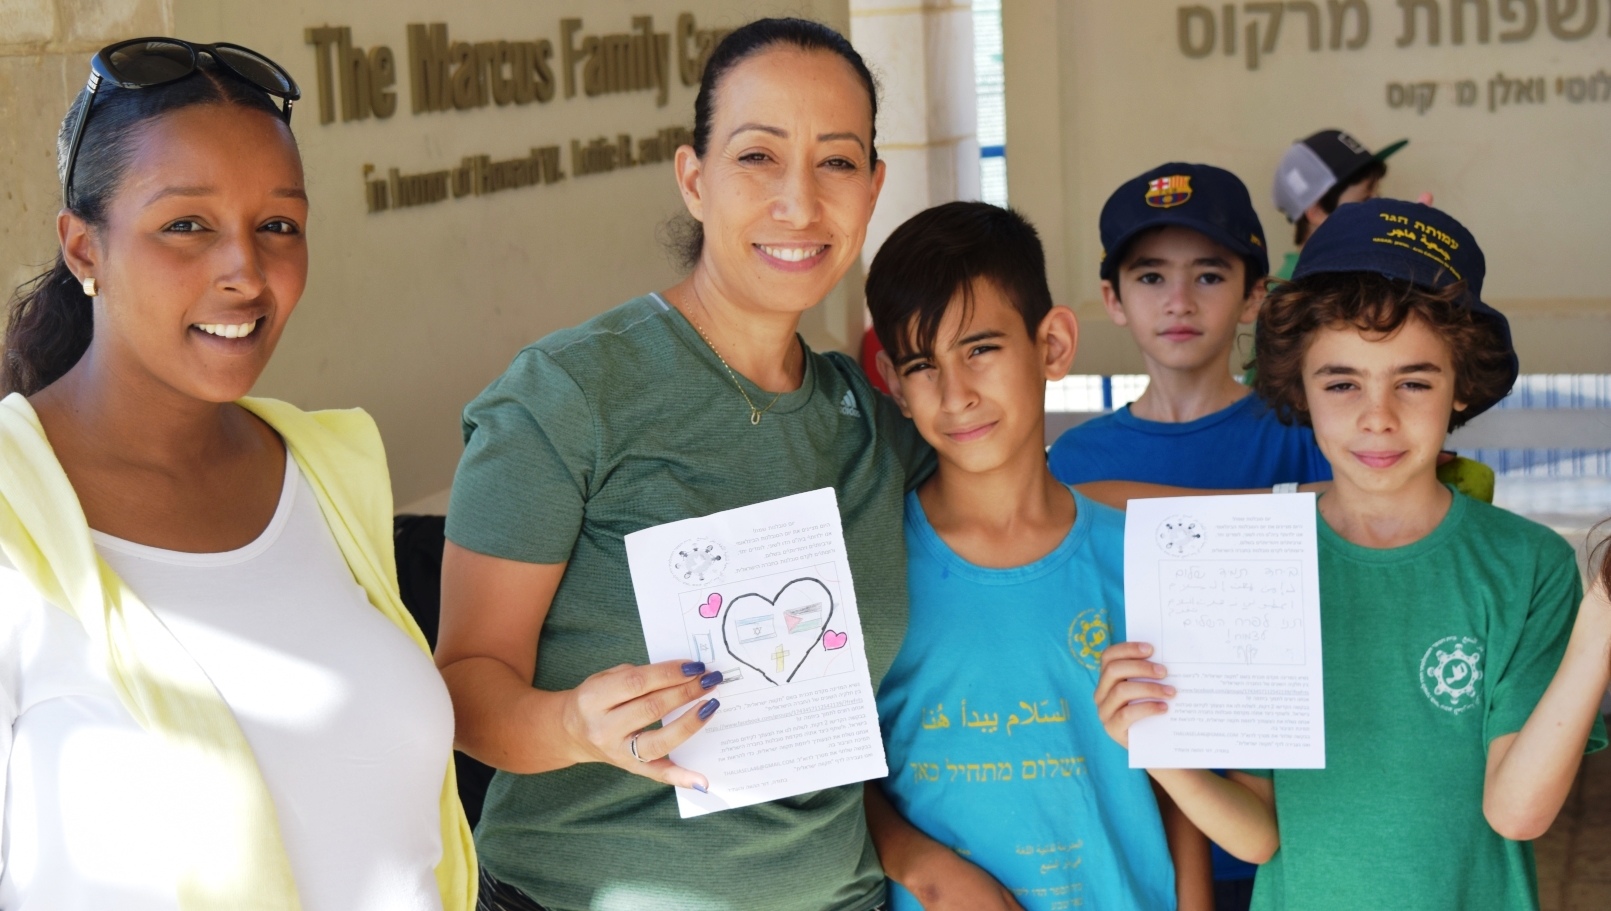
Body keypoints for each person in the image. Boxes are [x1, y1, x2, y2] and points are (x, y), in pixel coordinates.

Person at [434, 19, 932, 911]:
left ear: (873, 189)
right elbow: (462, 684)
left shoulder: (871, 422)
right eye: (756, 157)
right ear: (694, 180)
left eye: (837, 162)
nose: (799, 202)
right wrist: (572, 724)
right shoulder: (568, 395)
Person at [0, 39, 474, 909]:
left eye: (278, 225)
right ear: (83, 249)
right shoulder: (12, 516)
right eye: (187, 224)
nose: (246, 273)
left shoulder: (331, 468)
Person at [1095, 199, 1609, 911]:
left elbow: (1516, 813)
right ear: (1298, 386)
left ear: (1460, 385)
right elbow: (1257, 834)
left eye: (1414, 380)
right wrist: (1155, 743)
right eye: (1341, 382)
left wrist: (1603, 617)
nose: (1377, 415)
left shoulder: (1524, 566)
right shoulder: (1255, 557)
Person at [862, 202, 1212, 911]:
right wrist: (924, 867)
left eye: (980, 349)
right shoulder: (869, 566)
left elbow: (1181, 787)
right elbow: (835, 777)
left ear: (1051, 344)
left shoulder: (1137, 557)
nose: (956, 394)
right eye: (922, 365)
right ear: (894, 385)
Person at [1047, 163, 1330, 491]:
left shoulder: (1309, 439)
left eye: (1209, 277)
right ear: (1114, 301)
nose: (1180, 303)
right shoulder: (1074, 460)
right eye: (1151, 277)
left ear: (1253, 296)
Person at [1269, 130, 1406, 280]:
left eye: (1378, 195)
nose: (1379, 207)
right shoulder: (1286, 293)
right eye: (1365, 199)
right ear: (1318, 212)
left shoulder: (1366, 272)